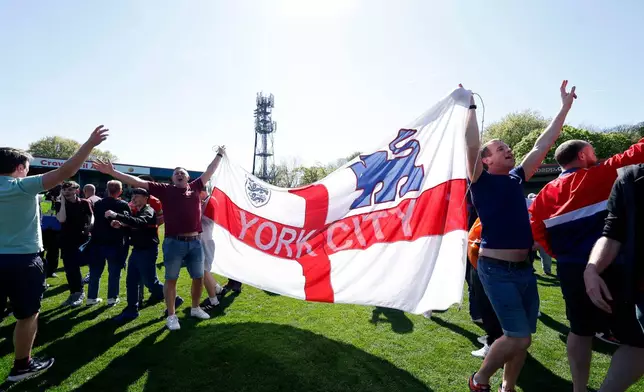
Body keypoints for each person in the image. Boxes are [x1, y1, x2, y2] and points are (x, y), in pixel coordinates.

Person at [466, 80, 577, 392]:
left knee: (522, 337)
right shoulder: (480, 181)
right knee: (519, 336)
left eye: (507, 147)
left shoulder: (517, 178)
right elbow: (471, 147)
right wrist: (471, 110)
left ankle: (508, 387)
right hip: (496, 270)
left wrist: (564, 109)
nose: (508, 150)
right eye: (500, 149)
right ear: (486, 161)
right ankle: (479, 379)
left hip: (524, 270)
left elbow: (542, 145)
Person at [529, 138, 644, 392]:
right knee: (636, 340)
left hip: (570, 270)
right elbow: (637, 152)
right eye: (592, 150)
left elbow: (539, 236)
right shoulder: (601, 175)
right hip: (610, 267)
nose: (596, 154)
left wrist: (563, 258)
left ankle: (579, 389)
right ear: (582, 156)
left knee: (580, 330)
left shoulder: (541, 197)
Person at [0, 125, 109, 382]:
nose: (28, 170)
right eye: (26, 166)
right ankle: (22, 366)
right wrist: (90, 144)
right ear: (18, 168)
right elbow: (66, 171)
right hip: (23, 260)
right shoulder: (21, 186)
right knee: (27, 314)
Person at [93, 146, 226, 330]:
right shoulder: (165, 190)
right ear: (173, 178)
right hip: (174, 243)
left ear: (187, 177)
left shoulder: (196, 186)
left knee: (198, 277)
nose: (179, 174)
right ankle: (171, 316)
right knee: (171, 279)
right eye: (176, 173)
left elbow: (210, 170)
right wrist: (113, 172)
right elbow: (136, 180)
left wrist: (219, 154)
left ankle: (195, 308)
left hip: (195, 243)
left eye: (182, 172)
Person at [584, 163, 644, 392]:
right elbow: (612, 232)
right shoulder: (631, 178)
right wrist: (591, 269)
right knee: (637, 344)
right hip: (640, 288)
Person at [108, 188, 165, 321]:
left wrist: (116, 216)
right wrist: (121, 226)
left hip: (147, 250)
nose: (133, 198)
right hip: (137, 250)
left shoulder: (148, 211)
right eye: (133, 195)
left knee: (150, 282)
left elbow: (140, 222)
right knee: (132, 281)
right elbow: (135, 228)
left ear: (146, 198)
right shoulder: (137, 211)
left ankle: (172, 297)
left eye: (137, 196)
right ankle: (131, 309)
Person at [87, 180, 130, 306]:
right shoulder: (123, 204)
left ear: (107, 190)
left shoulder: (98, 204)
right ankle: (112, 298)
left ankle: (91, 297)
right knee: (114, 273)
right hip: (114, 243)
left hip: (97, 242)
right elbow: (128, 222)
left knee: (95, 273)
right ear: (120, 191)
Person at [57, 181, 94, 307]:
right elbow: (61, 219)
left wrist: (89, 228)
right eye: (64, 189)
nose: (67, 192)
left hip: (81, 240)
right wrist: (62, 201)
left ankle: (79, 293)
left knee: (77, 266)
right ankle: (74, 294)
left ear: (76, 190)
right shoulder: (60, 203)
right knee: (69, 269)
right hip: (66, 240)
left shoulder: (84, 203)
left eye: (70, 189)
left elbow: (91, 217)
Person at [199, 189, 223, 312]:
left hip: (207, 240)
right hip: (203, 239)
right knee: (204, 270)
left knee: (203, 271)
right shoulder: (205, 201)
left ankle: (214, 301)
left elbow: (208, 219)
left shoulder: (211, 201)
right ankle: (218, 289)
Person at [525, 193, 552, 275]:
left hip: (535, 231)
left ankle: (532, 268)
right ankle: (547, 270)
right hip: (539, 230)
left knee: (533, 252)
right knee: (543, 253)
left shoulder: (530, 203)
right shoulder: (540, 202)